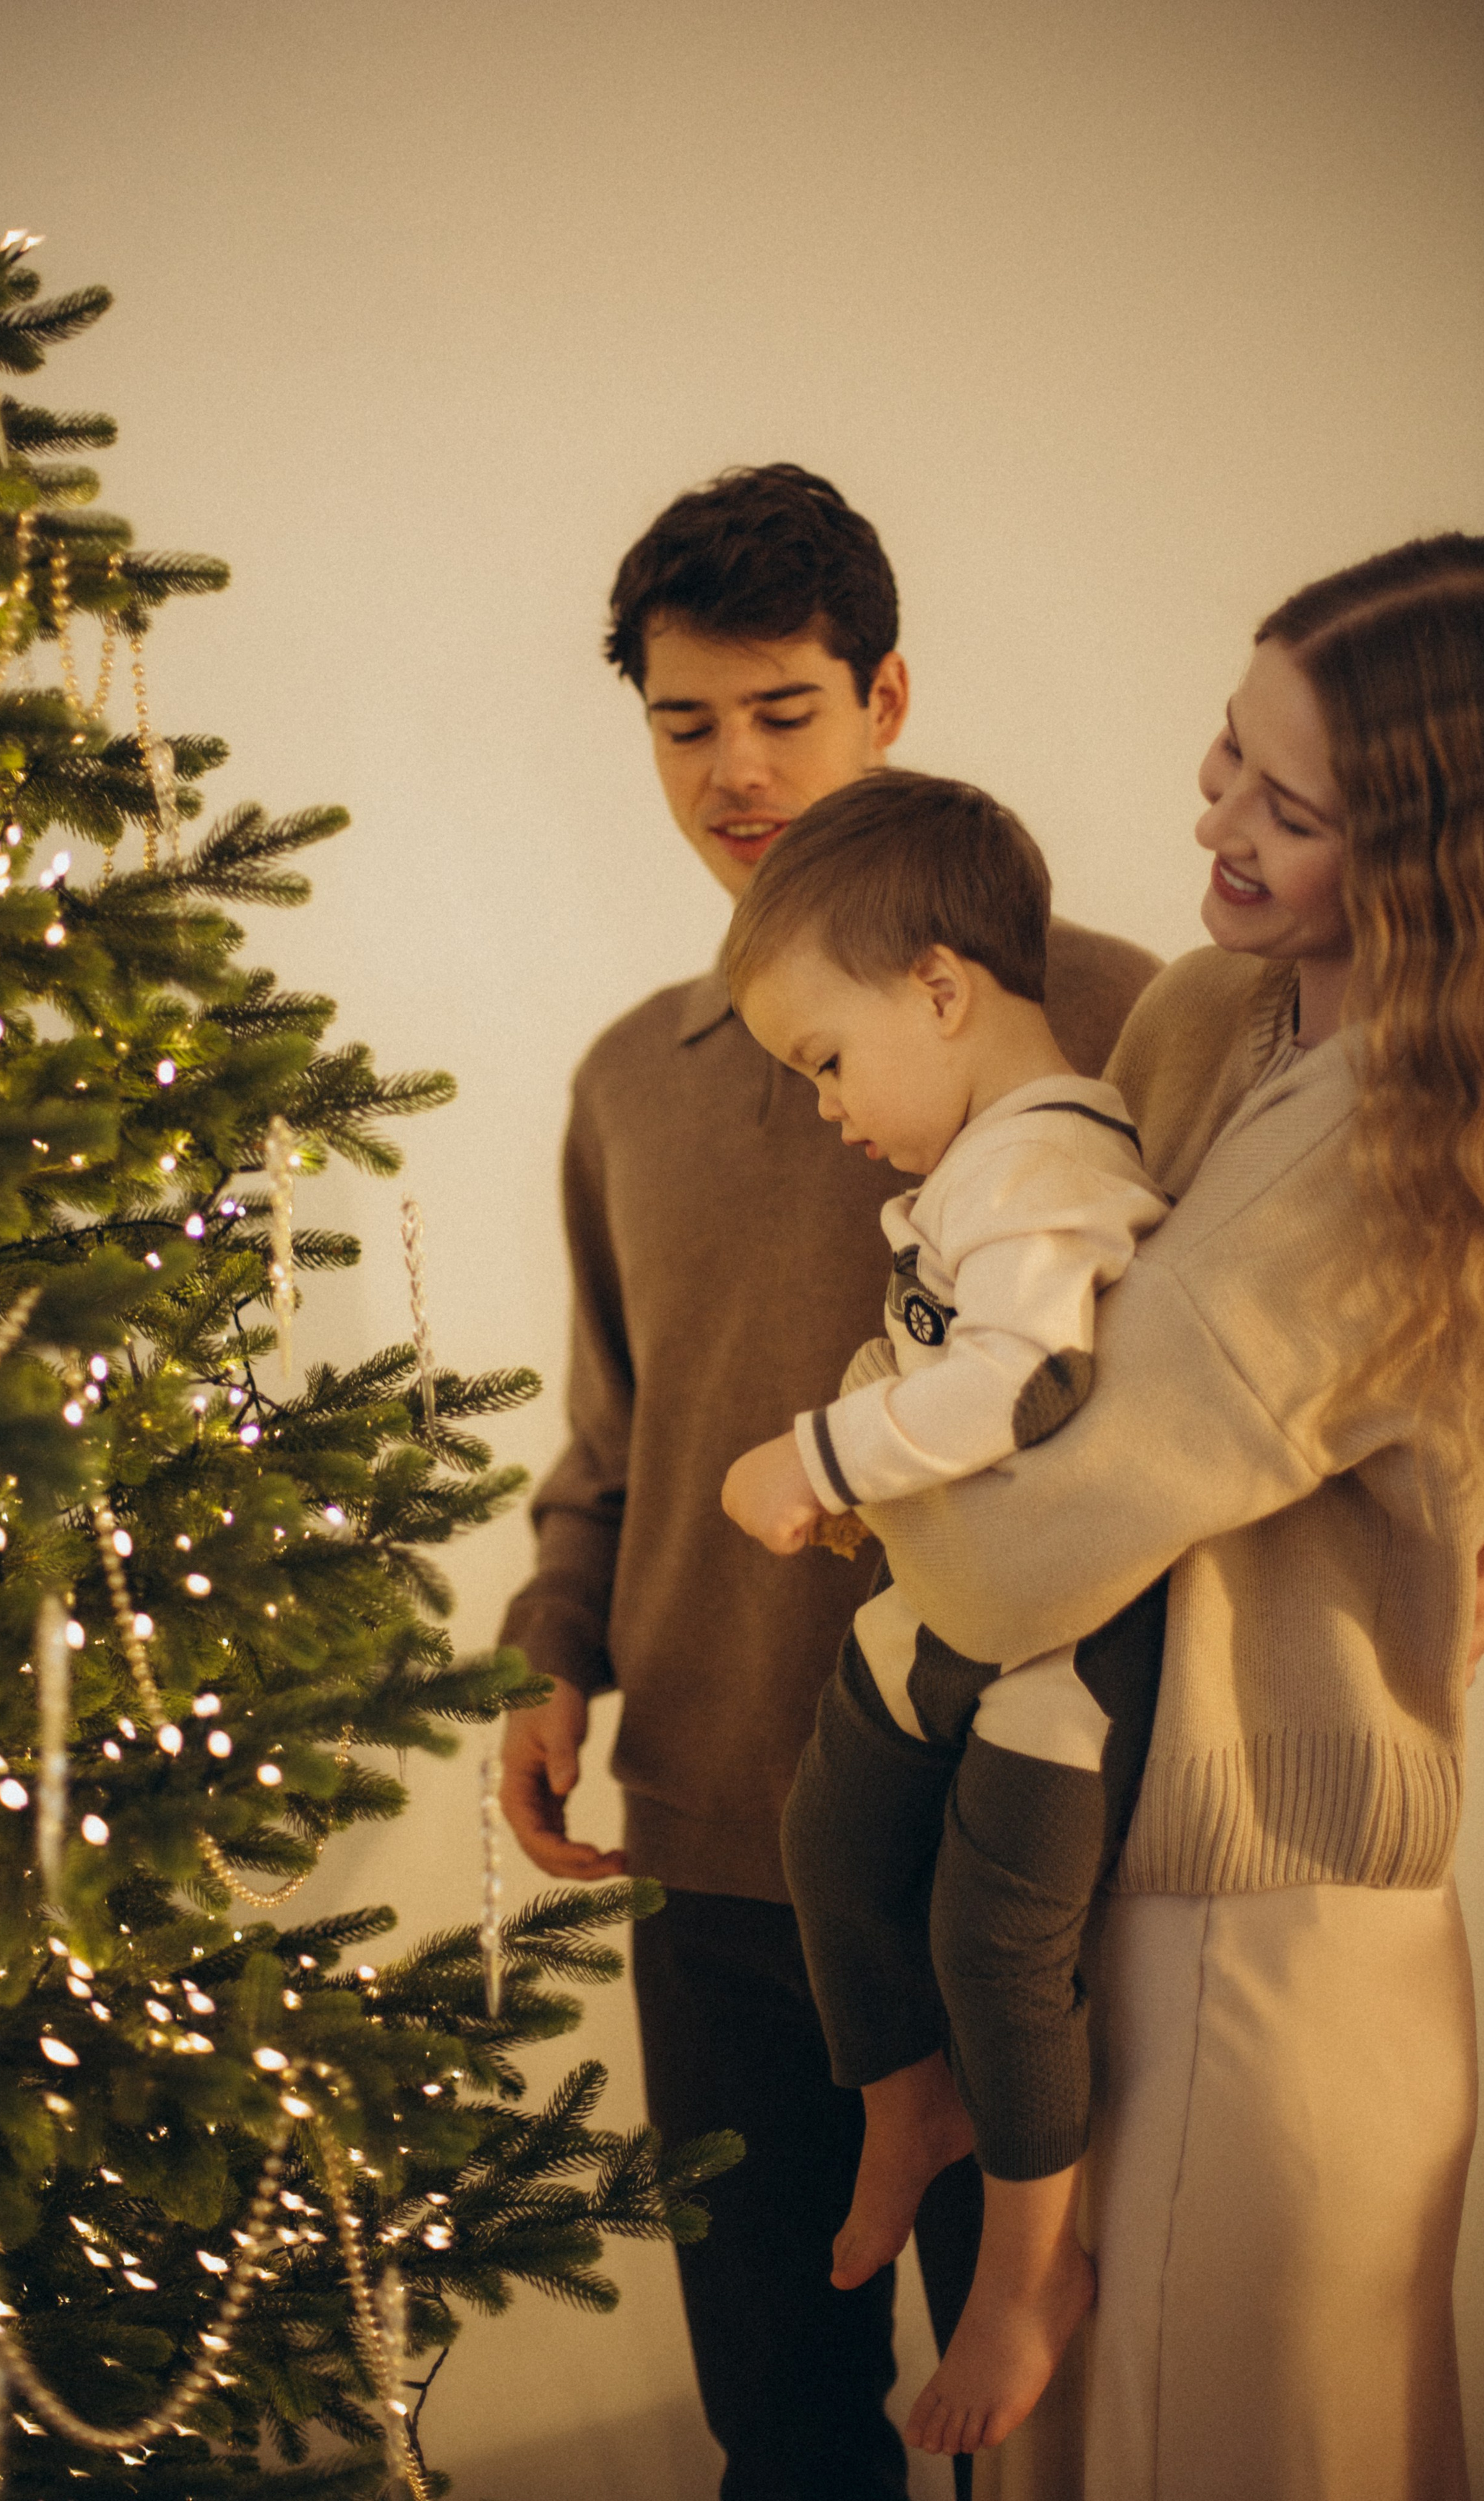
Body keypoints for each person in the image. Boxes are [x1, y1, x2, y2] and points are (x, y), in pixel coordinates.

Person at [497, 462, 1160, 2501]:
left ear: (886, 694)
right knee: (780, 2422)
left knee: (1039, 2429)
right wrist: (551, 1656)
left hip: (1012, 1849)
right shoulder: (634, 1075)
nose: (735, 771)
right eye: (685, 725)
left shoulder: (1120, 1025)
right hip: (710, 1846)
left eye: (783, 710)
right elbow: (620, 1426)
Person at [859, 535, 1483, 2500]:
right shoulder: (1219, 1010)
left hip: (1260, 1913)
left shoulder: (1402, 1138)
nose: (1209, 817)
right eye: (1231, 751)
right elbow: (999, 1319)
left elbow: (1032, 1530)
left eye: (1289, 809)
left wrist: (866, 1452)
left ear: (1434, 860)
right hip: (1117, 1861)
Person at [718, 770, 1169, 2459]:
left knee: (997, 1939)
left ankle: (1031, 2271)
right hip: (950, 1606)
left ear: (941, 989)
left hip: (1064, 1648)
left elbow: (1028, 1377)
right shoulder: (985, 1166)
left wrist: (818, 1447)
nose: (830, 1110)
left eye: (829, 1062)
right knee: (829, 1836)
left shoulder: (1047, 1161)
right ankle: (905, 2110)